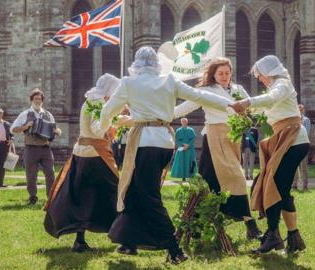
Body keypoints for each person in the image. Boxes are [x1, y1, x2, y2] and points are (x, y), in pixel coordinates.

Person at [100, 47, 233, 265]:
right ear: (155, 63)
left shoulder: (129, 83)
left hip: (145, 144)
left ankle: (175, 249)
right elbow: (200, 95)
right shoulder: (169, 80)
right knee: (133, 190)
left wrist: (102, 129)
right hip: (164, 143)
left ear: (137, 63)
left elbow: (108, 111)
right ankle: (129, 241)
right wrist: (230, 103)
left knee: (149, 196)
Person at [174, 57, 262, 241]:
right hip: (214, 137)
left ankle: (195, 224)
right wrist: (160, 115)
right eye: (220, 73)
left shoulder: (238, 90)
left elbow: (251, 110)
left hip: (233, 139)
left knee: (209, 184)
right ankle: (249, 223)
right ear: (213, 74)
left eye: (227, 73)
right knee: (236, 177)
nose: (224, 76)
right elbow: (184, 108)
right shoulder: (206, 91)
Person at [232, 55, 310, 254]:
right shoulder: (277, 87)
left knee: (272, 185)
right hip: (286, 140)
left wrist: (248, 102)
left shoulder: (282, 84)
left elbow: (270, 99)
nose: (259, 79)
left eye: (259, 75)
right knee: (278, 189)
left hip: (293, 140)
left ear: (268, 71)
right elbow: (265, 108)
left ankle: (274, 236)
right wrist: (247, 111)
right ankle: (293, 237)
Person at [44, 74, 122, 253]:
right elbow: (97, 129)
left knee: (82, 196)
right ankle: (122, 234)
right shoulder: (98, 103)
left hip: (82, 154)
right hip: (94, 156)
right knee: (115, 191)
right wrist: (113, 122)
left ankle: (80, 240)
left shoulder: (91, 100)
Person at [11, 89, 61, 205]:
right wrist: (25, 126)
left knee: (50, 173)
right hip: (31, 148)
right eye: (35, 99)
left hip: (45, 148)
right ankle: (32, 197)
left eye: (39, 99)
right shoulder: (25, 114)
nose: (37, 101)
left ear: (42, 101)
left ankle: (51, 197)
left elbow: (56, 129)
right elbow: (13, 129)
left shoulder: (48, 114)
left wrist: (58, 131)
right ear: (31, 100)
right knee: (31, 175)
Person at [292, 104, 311, 191]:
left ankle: (305, 186)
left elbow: (307, 132)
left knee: (304, 167)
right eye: (298, 109)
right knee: (294, 166)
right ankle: (294, 185)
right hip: (294, 145)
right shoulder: (293, 120)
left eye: (301, 110)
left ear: (303, 110)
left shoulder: (306, 120)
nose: (300, 111)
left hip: (303, 145)